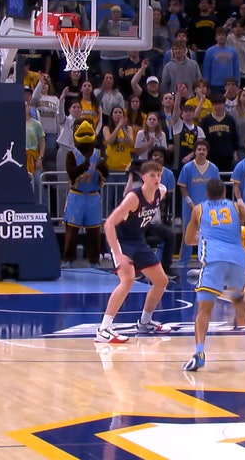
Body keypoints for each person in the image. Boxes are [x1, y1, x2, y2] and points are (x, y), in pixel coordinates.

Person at [182, 178, 245, 371]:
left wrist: (204, 236)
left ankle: (199, 352)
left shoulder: (198, 210)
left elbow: (189, 239)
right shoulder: (236, 207)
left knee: (204, 310)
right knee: (238, 297)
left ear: (206, 194)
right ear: (224, 193)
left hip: (214, 259)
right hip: (236, 260)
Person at [95, 162, 174, 343]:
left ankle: (145, 322)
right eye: (152, 175)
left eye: (158, 175)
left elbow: (162, 187)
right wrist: (117, 253)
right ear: (143, 177)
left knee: (161, 280)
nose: (156, 179)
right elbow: (108, 224)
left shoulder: (160, 192)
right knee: (128, 279)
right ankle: (103, 329)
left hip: (138, 240)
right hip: (121, 242)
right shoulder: (133, 198)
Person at [61, 121, 108, 268]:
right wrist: (84, 166)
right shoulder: (72, 154)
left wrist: (102, 167)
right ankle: (68, 259)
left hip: (93, 196)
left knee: (94, 231)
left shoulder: (99, 154)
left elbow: (106, 174)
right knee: (72, 230)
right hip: (77, 195)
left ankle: (94, 260)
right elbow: (71, 173)